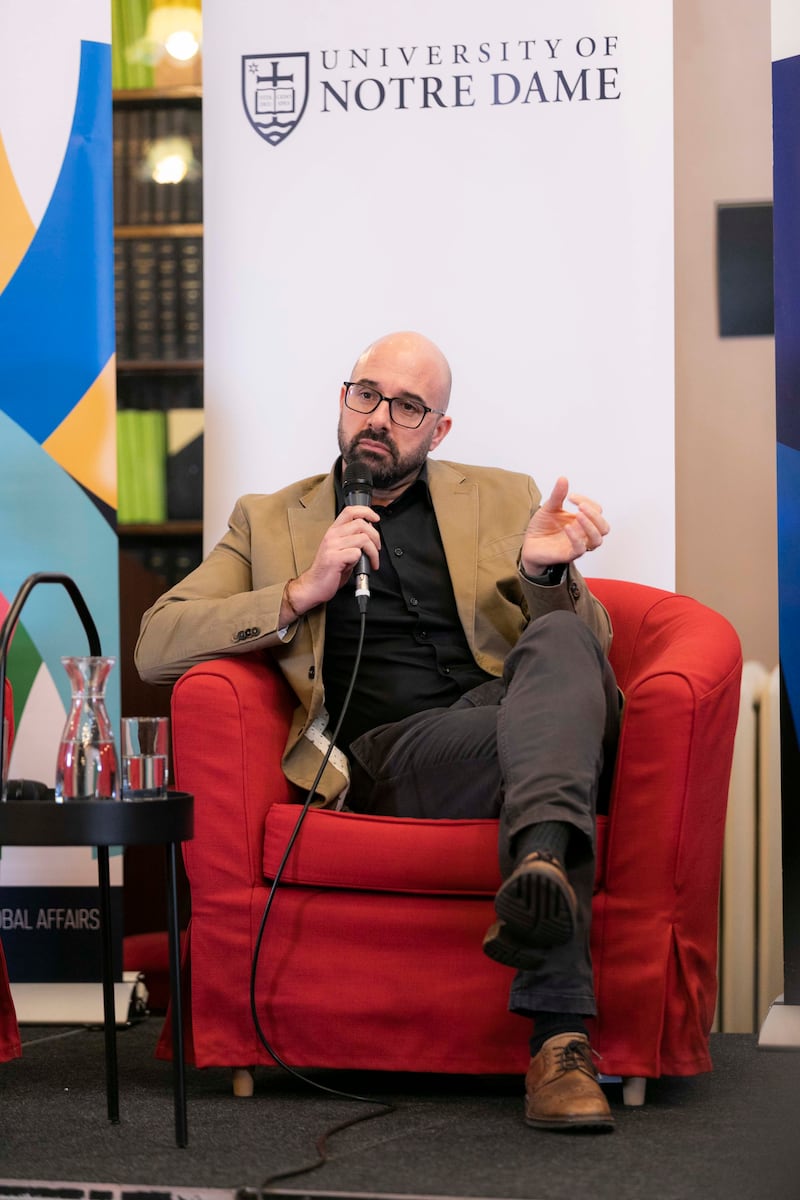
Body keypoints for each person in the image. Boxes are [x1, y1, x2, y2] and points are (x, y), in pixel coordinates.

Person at [135, 330, 620, 1132]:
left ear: (440, 430)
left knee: (563, 638)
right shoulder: (269, 520)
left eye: (407, 407)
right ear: (342, 397)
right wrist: (299, 590)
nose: (380, 417)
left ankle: (539, 865)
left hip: (514, 731)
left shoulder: (505, 497)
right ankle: (560, 1040)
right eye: (367, 395)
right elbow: (157, 642)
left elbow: (592, 661)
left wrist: (544, 579)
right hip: (396, 758)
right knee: (550, 745)